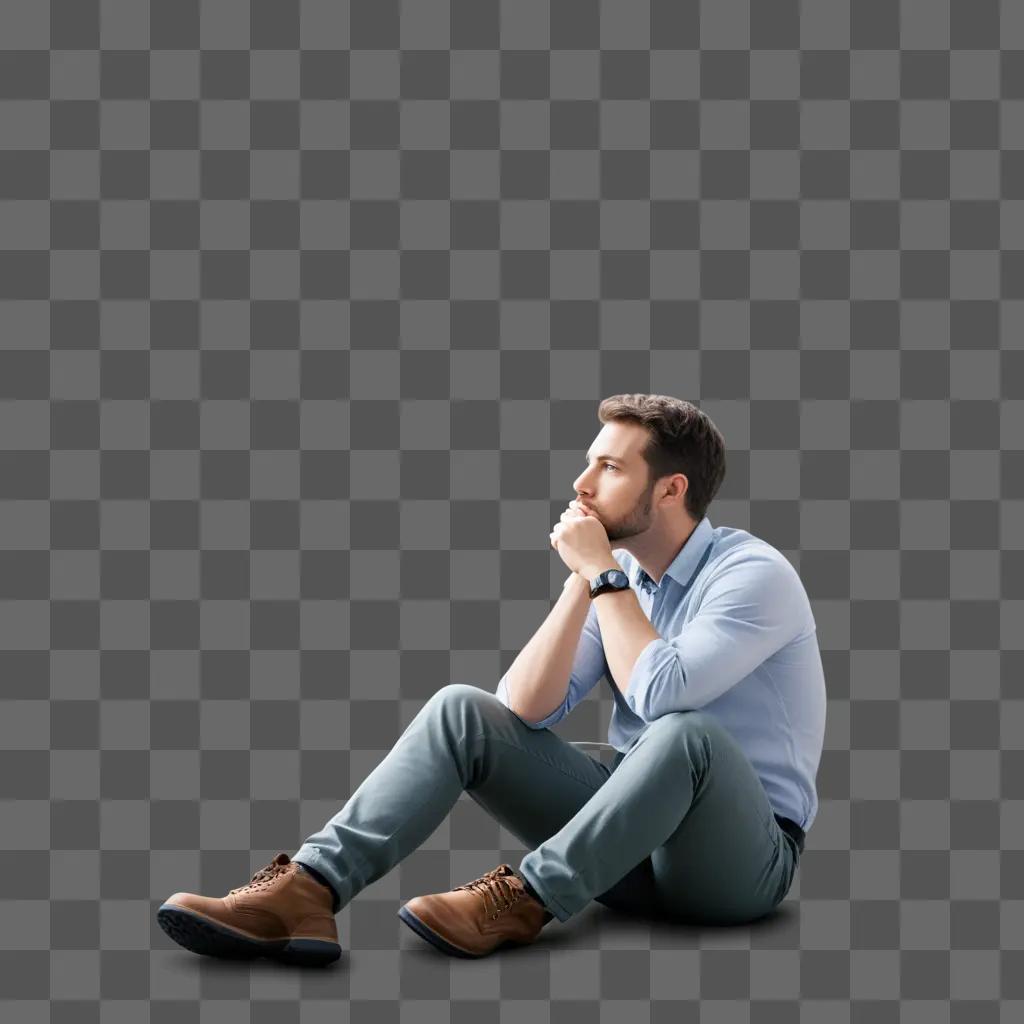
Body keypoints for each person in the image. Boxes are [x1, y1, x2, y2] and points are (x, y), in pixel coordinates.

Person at [157, 393, 826, 967]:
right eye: (590, 461)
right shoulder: (620, 581)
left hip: (740, 862)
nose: (582, 484)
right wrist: (583, 579)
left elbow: (663, 694)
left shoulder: (752, 576)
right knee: (462, 711)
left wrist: (605, 575)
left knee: (688, 736)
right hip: (627, 844)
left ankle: (528, 897)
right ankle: (307, 891)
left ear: (670, 490)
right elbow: (522, 710)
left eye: (610, 467)